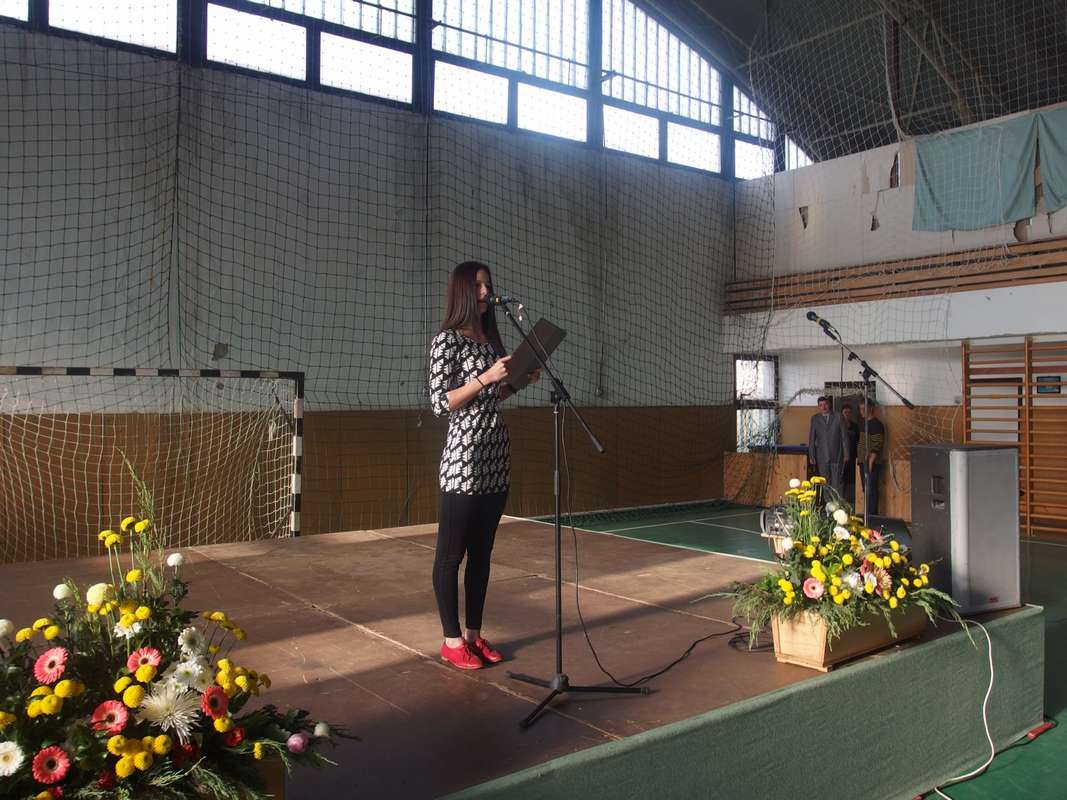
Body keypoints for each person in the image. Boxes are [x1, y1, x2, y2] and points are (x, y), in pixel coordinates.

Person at [428, 261, 539, 670]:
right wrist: (486, 377)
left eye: (488, 285)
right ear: (462, 291)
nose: (485, 292)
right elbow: (440, 403)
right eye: (478, 286)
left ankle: (473, 636)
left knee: (481, 554)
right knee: (451, 555)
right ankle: (451, 640)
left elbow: (493, 396)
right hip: (465, 457)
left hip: (495, 453)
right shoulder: (447, 341)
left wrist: (517, 382)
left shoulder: (490, 340)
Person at [807, 396, 849, 496]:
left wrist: (846, 454)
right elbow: (812, 438)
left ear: (829, 405)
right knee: (825, 482)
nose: (824, 407)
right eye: (821, 405)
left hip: (837, 455)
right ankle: (828, 504)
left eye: (825, 404)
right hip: (822, 456)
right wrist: (811, 455)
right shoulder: (815, 419)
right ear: (818, 407)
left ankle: (837, 503)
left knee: (837, 482)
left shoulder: (838, 416)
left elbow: (844, 436)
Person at [857, 398, 886, 517]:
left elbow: (877, 444)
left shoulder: (876, 424)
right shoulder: (863, 423)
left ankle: (872, 516)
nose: (862, 411)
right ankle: (868, 515)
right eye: (860, 409)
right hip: (863, 461)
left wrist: (871, 461)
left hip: (871, 462)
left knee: (871, 490)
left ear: (871, 408)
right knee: (866, 489)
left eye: (865, 408)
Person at [841, 404, 860, 504]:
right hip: (842, 456)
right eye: (845, 412)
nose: (847, 414)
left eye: (849, 412)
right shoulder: (839, 425)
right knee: (842, 477)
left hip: (853, 456)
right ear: (842, 414)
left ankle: (852, 498)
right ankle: (842, 497)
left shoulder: (855, 426)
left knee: (852, 477)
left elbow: (859, 441)